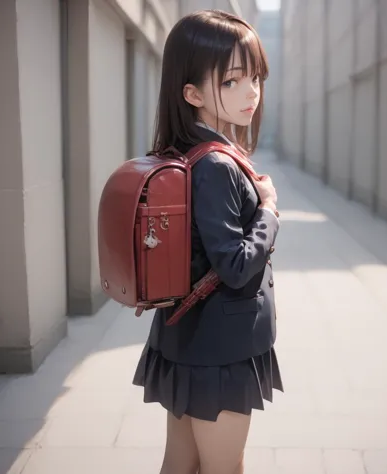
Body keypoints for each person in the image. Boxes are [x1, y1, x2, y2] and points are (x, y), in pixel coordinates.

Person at [133, 9, 283, 474]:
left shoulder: (185, 151)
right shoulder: (215, 166)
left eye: (254, 77)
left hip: (186, 341)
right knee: (224, 467)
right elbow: (236, 265)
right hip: (220, 351)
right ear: (192, 92)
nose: (251, 92)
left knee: (180, 463)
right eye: (233, 80)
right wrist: (270, 213)